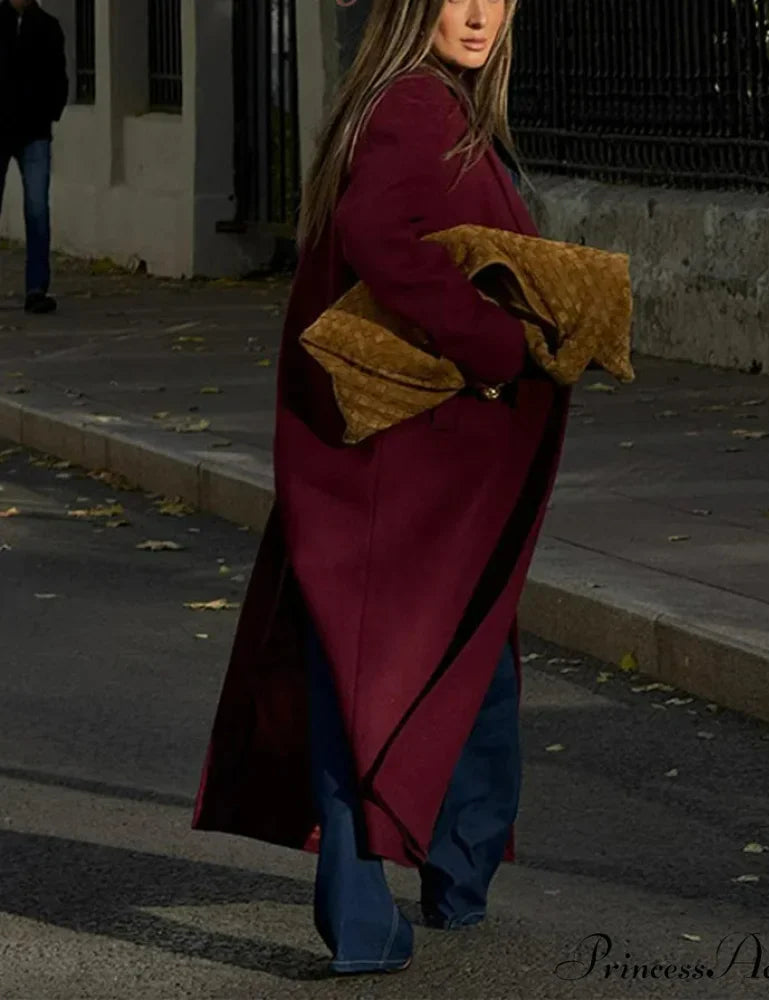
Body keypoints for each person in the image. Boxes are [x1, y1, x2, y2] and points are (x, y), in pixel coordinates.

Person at [193, 0, 572, 976]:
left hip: (424, 469)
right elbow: (378, 233)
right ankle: (366, 918)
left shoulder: (434, 104)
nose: (482, 10)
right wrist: (496, 341)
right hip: (392, 466)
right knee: (367, 677)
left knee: (467, 654)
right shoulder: (415, 105)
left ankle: (460, 873)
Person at [0, 0, 68, 314]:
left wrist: (49, 111)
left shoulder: (47, 26)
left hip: (34, 132)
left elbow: (58, 76)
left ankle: (36, 288)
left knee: (37, 210)